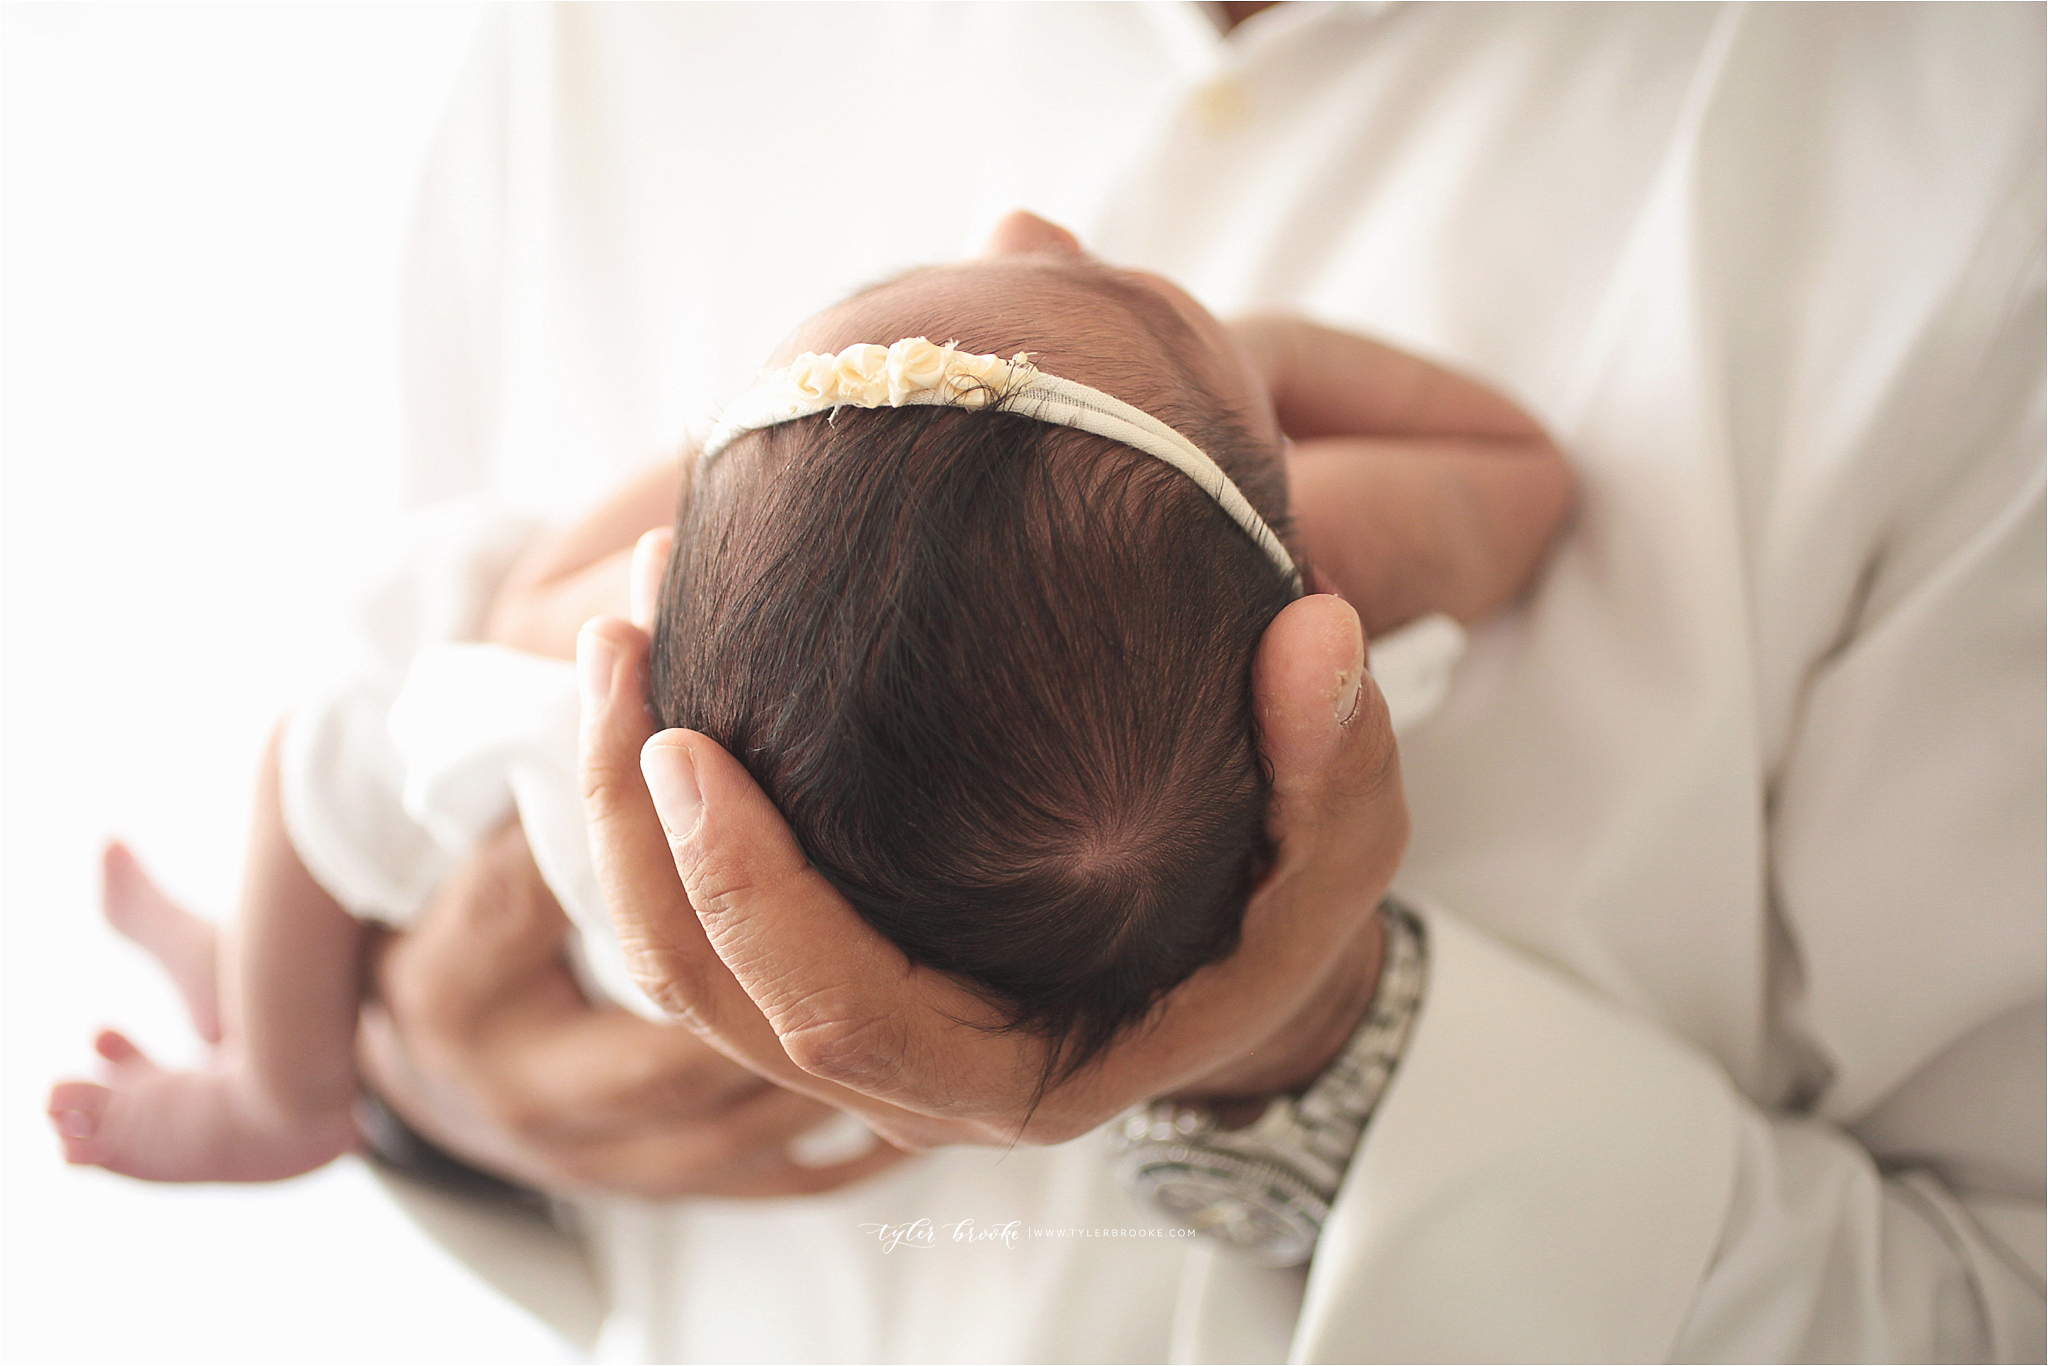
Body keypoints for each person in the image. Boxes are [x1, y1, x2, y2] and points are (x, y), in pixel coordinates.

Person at [74, 4, 2047, 1360]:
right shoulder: (1348, 665)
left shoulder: (515, 659)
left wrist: (323, 1068)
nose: (1030, 220)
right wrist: (435, 1083)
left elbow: (329, 752)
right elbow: (1510, 492)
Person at [47, 227, 1571, 1183]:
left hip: (579, 853)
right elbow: (1520, 477)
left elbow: (531, 615)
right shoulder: (1316, 645)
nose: (1031, 223)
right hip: (775, 1012)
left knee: (321, 755)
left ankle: (281, 1079)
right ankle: (271, 1006)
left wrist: (709, 479)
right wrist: (1235, 370)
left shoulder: (617, 625)